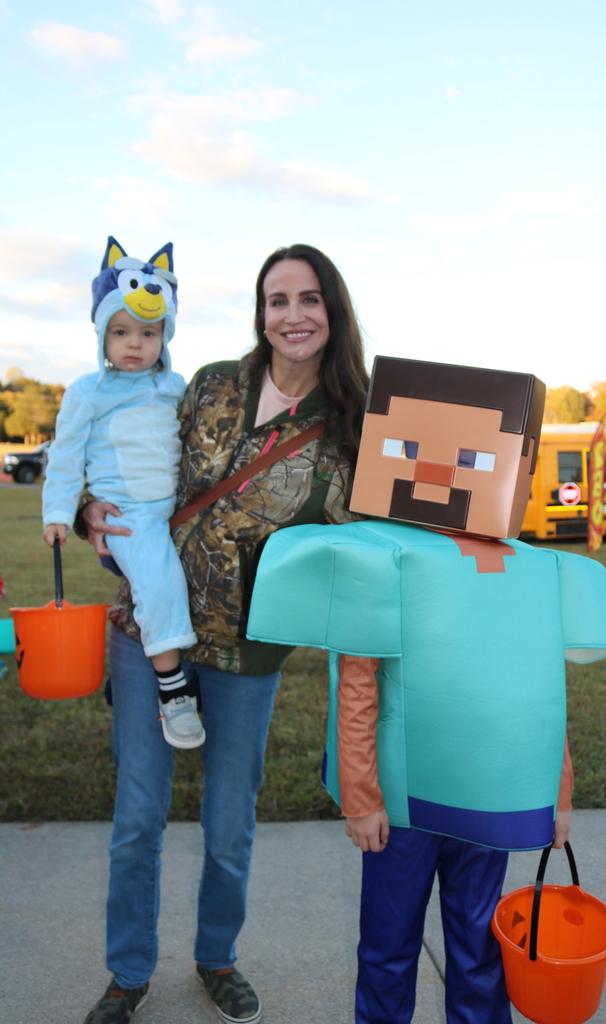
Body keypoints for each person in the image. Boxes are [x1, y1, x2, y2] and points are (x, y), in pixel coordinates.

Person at [247, 356, 606, 1024]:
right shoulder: (383, 557)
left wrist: (555, 795)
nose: (444, 470)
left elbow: (539, 693)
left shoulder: (527, 569)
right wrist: (362, 799)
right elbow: (356, 686)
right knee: (388, 946)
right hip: (403, 807)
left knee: (478, 949)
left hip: (488, 795)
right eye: (414, 451)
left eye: (471, 458)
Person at [78, 244, 369, 1024]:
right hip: (151, 633)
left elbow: (373, 538)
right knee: (137, 818)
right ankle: (128, 973)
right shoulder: (209, 385)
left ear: (333, 312)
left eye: (308, 298)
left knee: (229, 823)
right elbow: (123, 448)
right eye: (277, 300)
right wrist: (84, 506)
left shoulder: (351, 426)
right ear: (260, 313)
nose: (292, 315)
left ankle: (217, 958)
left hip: (249, 650)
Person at [42, 236, 205, 749]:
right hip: (128, 515)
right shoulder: (88, 392)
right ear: (101, 335)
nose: (134, 344)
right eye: (120, 332)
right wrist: (59, 512)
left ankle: (152, 672)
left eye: (148, 333)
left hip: (177, 510)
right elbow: (65, 456)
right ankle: (173, 692)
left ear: (164, 336)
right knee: (158, 589)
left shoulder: (175, 386)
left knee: (178, 588)